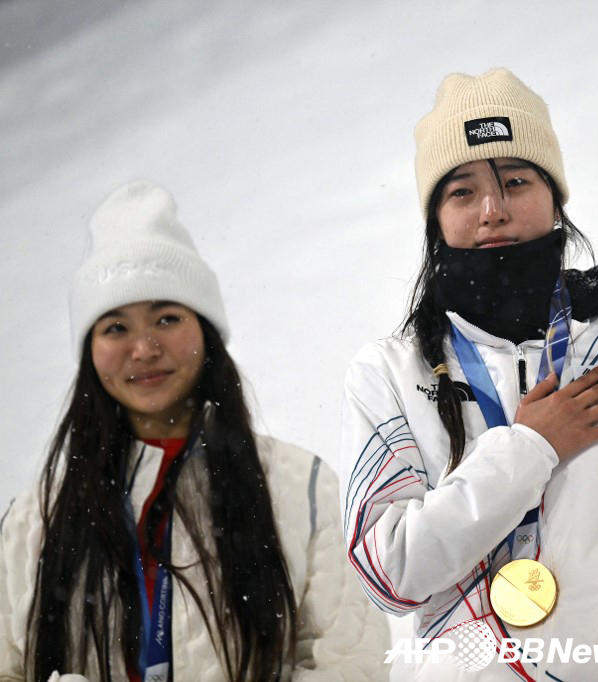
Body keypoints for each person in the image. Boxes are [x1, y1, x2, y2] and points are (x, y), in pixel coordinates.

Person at [342, 68, 598, 680]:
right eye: (462, 192)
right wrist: (531, 448)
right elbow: (388, 574)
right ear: (435, 219)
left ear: (556, 199)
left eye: (515, 181)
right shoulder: (391, 371)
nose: (492, 211)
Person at [0, 181, 390, 682]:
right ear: (89, 350)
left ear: (205, 332)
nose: (143, 349)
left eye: (166, 318)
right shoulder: (36, 520)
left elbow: (351, 664)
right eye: (115, 327)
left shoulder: (302, 489)